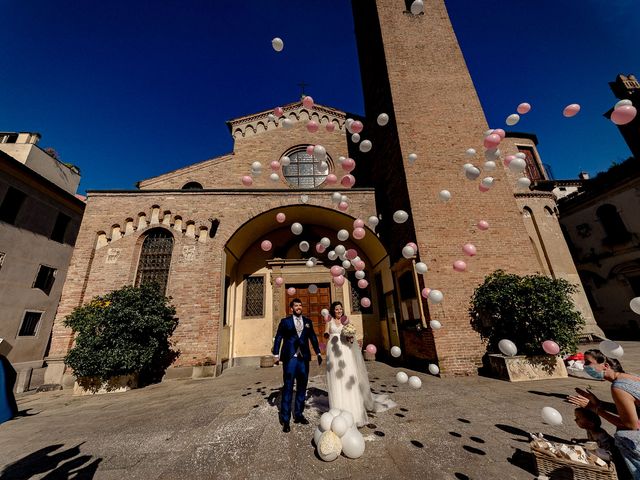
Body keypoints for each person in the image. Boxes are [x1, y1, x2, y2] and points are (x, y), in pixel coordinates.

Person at [567, 349, 640, 478]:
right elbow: (630, 410)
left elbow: (631, 426)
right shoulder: (631, 377)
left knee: (622, 436)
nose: (584, 366)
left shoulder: (618, 386)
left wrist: (595, 409)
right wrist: (599, 404)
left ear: (605, 365)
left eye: (588, 363)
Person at [324, 301, 395, 428]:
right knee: (336, 379)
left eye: (340, 309)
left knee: (348, 378)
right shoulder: (329, 321)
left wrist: (351, 336)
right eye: (336, 309)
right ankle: (338, 411)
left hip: (345, 351)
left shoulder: (346, 320)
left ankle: (354, 413)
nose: (339, 311)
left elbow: (351, 336)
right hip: (334, 352)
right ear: (333, 311)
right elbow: (326, 333)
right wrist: (326, 336)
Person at [272, 298, 322, 433]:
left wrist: (318, 352)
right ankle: (286, 419)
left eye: (300, 305)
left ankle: (299, 414)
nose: (299, 307)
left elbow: (313, 337)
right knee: (288, 387)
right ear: (291, 308)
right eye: (296, 305)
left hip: (304, 359)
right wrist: (275, 354)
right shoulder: (285, 322)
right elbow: (278, 337)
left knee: (302, 387)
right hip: (290, 358)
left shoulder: (308, 322)